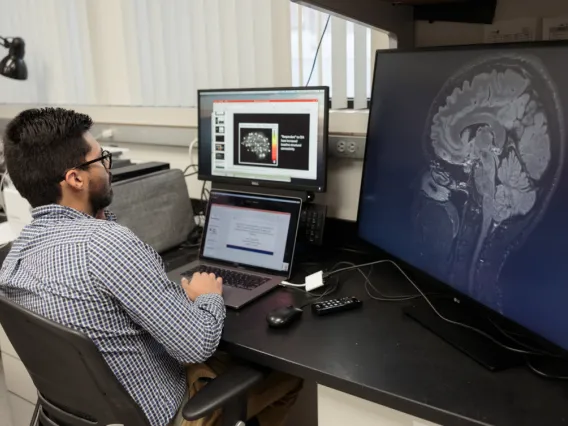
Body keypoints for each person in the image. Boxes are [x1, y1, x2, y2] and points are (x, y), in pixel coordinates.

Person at [0, 108, 302, 426]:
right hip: (162, 414)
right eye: (101, 160)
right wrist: (206, 296)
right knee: (288, 376)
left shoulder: (15, 256)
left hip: (87, 416)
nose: (107, 168)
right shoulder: (107, 245)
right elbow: (196, 345)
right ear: (76, 179)